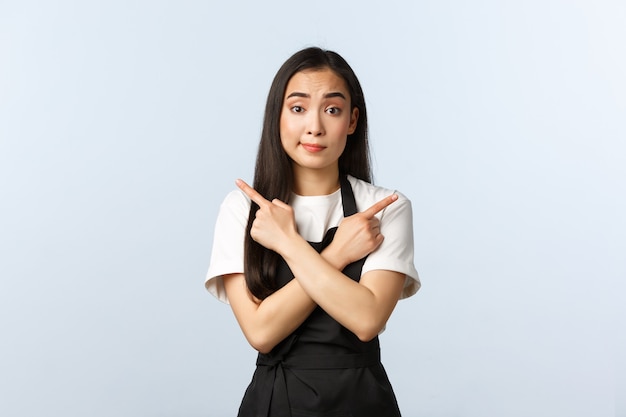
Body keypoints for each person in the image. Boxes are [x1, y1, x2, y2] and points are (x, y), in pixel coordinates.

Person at [205, 47, 420, 417]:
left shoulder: (385, 208)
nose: (315, 126)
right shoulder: (242, 210)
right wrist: (337, 253)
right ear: (278, 117)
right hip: (275, 402)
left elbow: (368, 320)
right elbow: (261, 332)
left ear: (352, 121)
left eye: (332, 110)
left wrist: (287, 243)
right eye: (298, 108)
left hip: (363, 403)